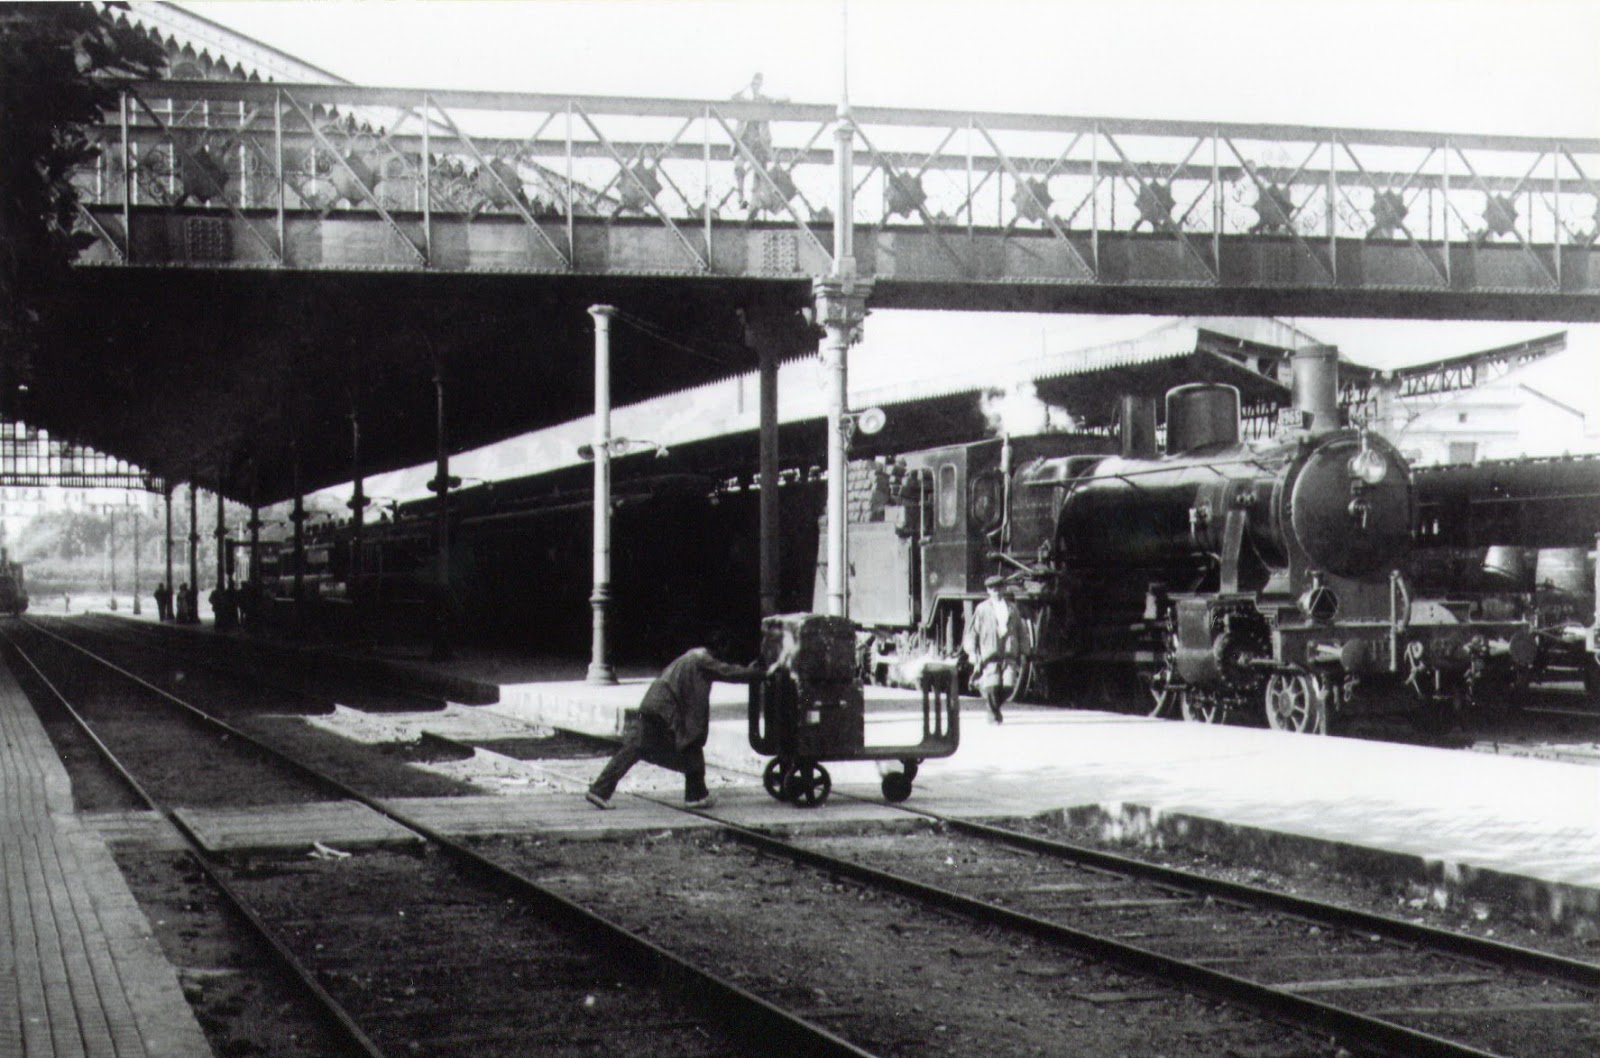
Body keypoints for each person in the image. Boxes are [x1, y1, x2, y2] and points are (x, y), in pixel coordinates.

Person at [587, 631, 765, 810]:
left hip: (655, 705)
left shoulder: (690, 657)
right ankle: (695, 796)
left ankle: (696, 795)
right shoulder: (703, 660)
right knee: (667, 748)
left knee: (643, 748)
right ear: (720, 648)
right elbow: (729, 672)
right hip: (663, 710)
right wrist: (758, 674)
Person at [963, 574, 1023, 723]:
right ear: (988, 591)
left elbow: (1021, 631)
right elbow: (972, 632)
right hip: (990, 654)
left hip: (1009, 653)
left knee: (1009, 686)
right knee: (992, 686)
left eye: (998, 588)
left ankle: (993, 708)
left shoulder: (1012, 609)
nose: (995, 591)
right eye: (992, 588)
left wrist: (1024, 651)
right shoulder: (982, 609)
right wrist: (972, 651)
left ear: (1003, 588)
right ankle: (993, 714)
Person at [730, 72, 773, 209]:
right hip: (744, 140)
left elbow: (784, 99)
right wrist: (745, 86)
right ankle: (740, 197)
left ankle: (754, 203)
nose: (756, 86)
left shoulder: (763, 100)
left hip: (759, 142)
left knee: (759, 172)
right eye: (754, 83)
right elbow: (733, 97)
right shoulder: (745, 101)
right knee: (738, 165)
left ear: (761, 85)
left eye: (758, 83)